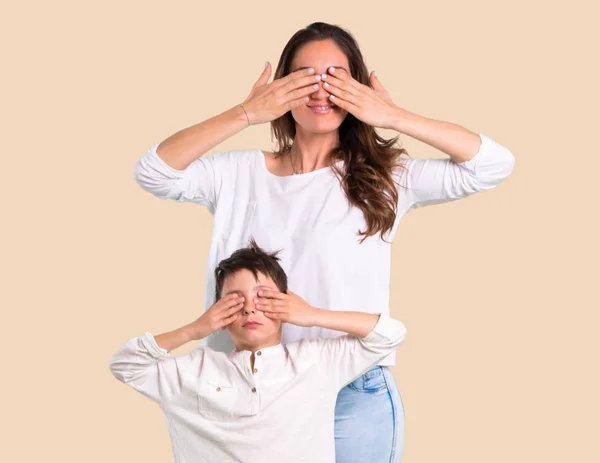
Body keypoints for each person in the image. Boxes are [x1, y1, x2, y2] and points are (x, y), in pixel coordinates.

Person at [132, 21, 515, 462]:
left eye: (337, 77)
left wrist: (393, 117)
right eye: (304, 77)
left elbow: (492, 165)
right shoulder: (237, 174)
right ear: (282, 89)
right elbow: (154, 172)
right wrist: (246, 113)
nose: (321, 90)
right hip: (246, 388)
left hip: (348, 393)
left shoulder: (385, 179)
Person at [110, 240, 407, 462]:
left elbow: (389, 335)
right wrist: (194, 329)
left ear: (284, 305)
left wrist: (310, 314)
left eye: (263, 298)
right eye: (235, 301)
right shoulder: (193, 371)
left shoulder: (315, 362)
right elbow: (126, 365)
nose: (250, 307)